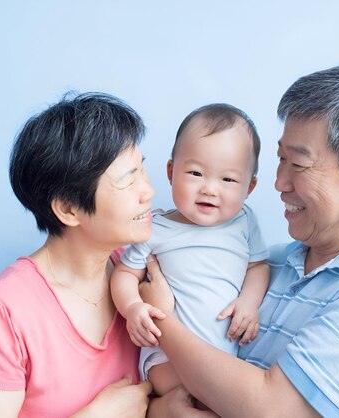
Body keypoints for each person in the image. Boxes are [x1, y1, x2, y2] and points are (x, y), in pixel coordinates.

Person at [141, 61, 339, 417]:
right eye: (280, 159)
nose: (279, 183)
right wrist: (160, 410)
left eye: (298, 164)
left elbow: (273, 410)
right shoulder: (266, 265)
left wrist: (162, 321)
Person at [0, 92, 154, 417]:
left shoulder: (140, 271)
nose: (148, 191)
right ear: (69, 208)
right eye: (128, 181)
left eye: (142, 170)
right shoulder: (0, 313)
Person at [111, 103, 270, 400]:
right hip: (165, 357)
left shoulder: (244, 222)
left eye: (228, 179)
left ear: (249, 187)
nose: (210, 189)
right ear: (171, 171)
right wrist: (133, 307)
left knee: (226, 396)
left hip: (225, 357)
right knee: (191, 398)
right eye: (196, 173)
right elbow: (124, 273)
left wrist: (248, 303)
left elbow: (258, 267)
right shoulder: (155, 227)